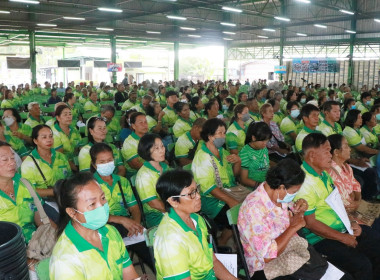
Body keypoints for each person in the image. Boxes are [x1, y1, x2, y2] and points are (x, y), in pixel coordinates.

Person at [295, 133, 380, 279]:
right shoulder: (304, 183)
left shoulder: (324, 175)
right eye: (327, 151)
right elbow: (310, 223)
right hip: (320, 239)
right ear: (312, 156)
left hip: (342, 228)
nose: (330, 155)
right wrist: (342, 237)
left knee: (376, 246)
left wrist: (351, 223)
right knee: (362, 265)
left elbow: (337, 204)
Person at [49, 172, 139, 280]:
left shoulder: (110, 232)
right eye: (92, 204)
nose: (101, 207)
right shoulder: (65, 259)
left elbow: (129, 274)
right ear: (72, 212)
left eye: (103, 198)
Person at [154, 169, 238, 280]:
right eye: (191, 193)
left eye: (197, 190)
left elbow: (213, 261)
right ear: (173, 201)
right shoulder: (170, 240)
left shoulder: (196, 218)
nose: (198, 196)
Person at [238, 159, 308, 279]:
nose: (294, 195)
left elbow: (292, 208)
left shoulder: (277, 195)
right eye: (294, 192)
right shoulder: (254, 208)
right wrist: (293, 228)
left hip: (288, 251)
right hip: (265, 267)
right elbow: (267, 256)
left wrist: (301, 205)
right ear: (281, 187)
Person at [89, 142, 154, 270]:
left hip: (126, 225)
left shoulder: (122, 181)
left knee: (150, 249)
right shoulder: (90, 185)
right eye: (102, 162)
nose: (107, 164)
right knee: (112, 261)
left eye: (109, 160)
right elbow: (92, 215)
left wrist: (134, 225)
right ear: (94, 164)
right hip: (102, 226)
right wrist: (121, 220)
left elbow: (134, 208)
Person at [192, 118, 242, 245]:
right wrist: (232, 201)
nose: (223, 136)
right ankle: (224, 242)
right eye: (220, 133)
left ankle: (231, 241)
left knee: (250, 205)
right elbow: (209, 188)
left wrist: (238, 162)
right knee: (239, 212)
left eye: (224, 133)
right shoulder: (202, 157)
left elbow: (234, 176)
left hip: (228, 191)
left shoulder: (222, 152)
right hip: (210, 199)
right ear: (209, 136)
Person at [0, 141, 45, 243]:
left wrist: (50, 236)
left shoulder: (24, 184)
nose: (12, 162)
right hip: (7, 250)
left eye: (12, 158)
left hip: (34, 242)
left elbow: (40, 215)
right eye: (4, 159)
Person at [21, 125, 72, 198]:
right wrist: (56, 191)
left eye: (51, 136)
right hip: (44, 202)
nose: (49, 140)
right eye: (44, 137)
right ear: (35, 140)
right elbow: (29, 190)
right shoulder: (29, 164)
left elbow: (69, 178)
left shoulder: (61, 157)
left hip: (65, 197)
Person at [135, 133, 169, 228]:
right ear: (147, 151)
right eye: (156, 148)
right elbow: (153, 203)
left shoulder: (165, 167)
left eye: (162, 146)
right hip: (156, 215)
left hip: (171, 207)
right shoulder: (143, 175)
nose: (162, 150)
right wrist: (175, 211)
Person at [239, 122, 271, 189]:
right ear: (253, 138)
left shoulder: (264, 149)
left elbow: (267, 166)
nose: (265, 143)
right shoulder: (245, 153)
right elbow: (243, 179)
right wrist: (261, 186)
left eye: (267, 140)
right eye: (262, 140)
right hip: (252, 189)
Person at [51, 104, 81, 172]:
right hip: (62, 166)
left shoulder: (74, 129)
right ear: (58, 118)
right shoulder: (54, 133)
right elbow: (61, 156)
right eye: (65, 114)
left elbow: (80, 147)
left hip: (76, 161)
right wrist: (77, 170)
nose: (69, 117)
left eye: (70, 114)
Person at [121, 112, 149, 178]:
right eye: (140, 123)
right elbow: (135, 165)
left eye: (145, 122)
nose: (144, 125)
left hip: (151, 168)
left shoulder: (149, 138)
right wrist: (155, 170)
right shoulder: (129, 142)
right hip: (137, 174)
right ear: (133, 126)